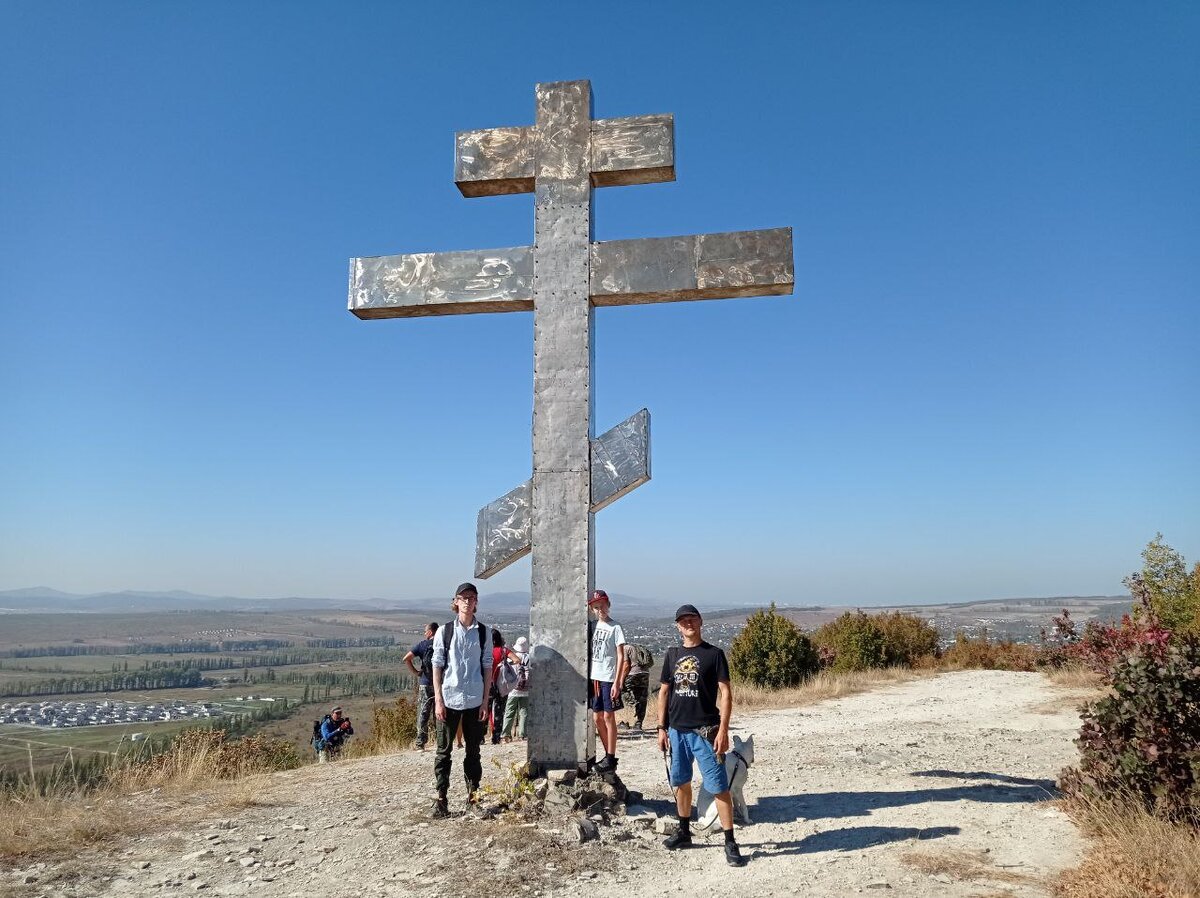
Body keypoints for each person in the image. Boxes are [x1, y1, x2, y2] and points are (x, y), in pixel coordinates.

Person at [656, 604, 746, 867]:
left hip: (706, 732)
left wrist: (725, 730)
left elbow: (725, 693)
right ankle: (684, 832)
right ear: (677, 626)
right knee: (681, 782)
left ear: (700, 621)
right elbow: (663, 693)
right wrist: (661, 728)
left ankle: (730, 841)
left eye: (692, 619)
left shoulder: (714, 654)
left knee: (718, 786)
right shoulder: (672, 655)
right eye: (683, 620)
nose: (688, 623)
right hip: (676, 730)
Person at [431, 582, 493, 818]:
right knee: (443, 751)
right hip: (449, 699)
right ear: (455, 601)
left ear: (476, 601)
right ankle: (441, 799)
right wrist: (438, 699)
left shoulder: (484, 632)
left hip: (475, 700)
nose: (467, 601)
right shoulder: (445, 631)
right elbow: (437, 665)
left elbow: (487, 666)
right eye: (463, 597)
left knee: (473, 752)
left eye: (472, 597)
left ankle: (473, 797)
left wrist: (486, 701)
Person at [588, 589, 625, 773]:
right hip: (595, 677)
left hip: (609, 678)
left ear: (608, 605)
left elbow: (621, 655)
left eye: (602, 605)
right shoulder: (593, 627)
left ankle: (610, 756)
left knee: (609, 717)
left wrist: (617, 682)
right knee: (597, 717)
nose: (600, 609)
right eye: (596, 607)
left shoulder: (615, 627)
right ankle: (608, 755)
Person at [404, 621, 439, 751]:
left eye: (425, 631)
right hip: (439, 684)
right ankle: (440, 740)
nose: (424, 634)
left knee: (423, 713)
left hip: (425, 683)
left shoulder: (422, 645)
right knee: (439, 713)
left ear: (430, 632)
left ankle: (420, 743)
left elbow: (406, 658)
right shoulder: (443, 645)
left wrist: (416, 672)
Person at [502, 636, 530, 741]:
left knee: (509, 711)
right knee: (524, 712)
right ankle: (522, 734)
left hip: (513, 689)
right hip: (526, 689)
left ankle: (506, 734)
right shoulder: (530, 658)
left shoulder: (511, 658)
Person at [621, 642, 653, 730]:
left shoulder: (625, 648)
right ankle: (638, 722)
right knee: (642, 699)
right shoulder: (639, 647)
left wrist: (621, 680)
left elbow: (626, 665)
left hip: (632, 674)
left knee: (627, 696)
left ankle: (626, 721)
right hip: (645, 674)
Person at [488, 629, 508, 745]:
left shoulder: (485, 651)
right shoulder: (503, 651)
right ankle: (496, 737)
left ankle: (480, 737)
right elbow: (517, 660)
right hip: (501, 684)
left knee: (486, 709)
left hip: (488, 684)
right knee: (499, 710)